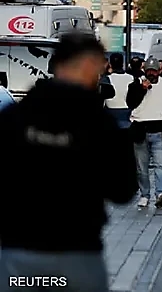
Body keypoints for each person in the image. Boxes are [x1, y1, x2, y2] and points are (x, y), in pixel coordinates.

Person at [0, 33, 138, 292]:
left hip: (18, 251)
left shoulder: (14, 117)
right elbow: (123, 190)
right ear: (87, 64)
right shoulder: (99, 123)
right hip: (77, 252)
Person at [127, 57, 162, 208]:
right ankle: (145, 195)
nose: (151, 74)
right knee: (141, 167)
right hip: (140, 131)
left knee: (160, 165)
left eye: (154, 71)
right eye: (148, 71)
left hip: (160, 131)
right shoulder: (135, 85)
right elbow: (131, 103)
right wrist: (142, 89)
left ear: (159, 71)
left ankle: (160, 193)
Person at [106, 53, 134, 130]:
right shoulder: (131, 78)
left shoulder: (106, 79)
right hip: (129, 115)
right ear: (122, 63)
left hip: (110, 114)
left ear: (110, 64)